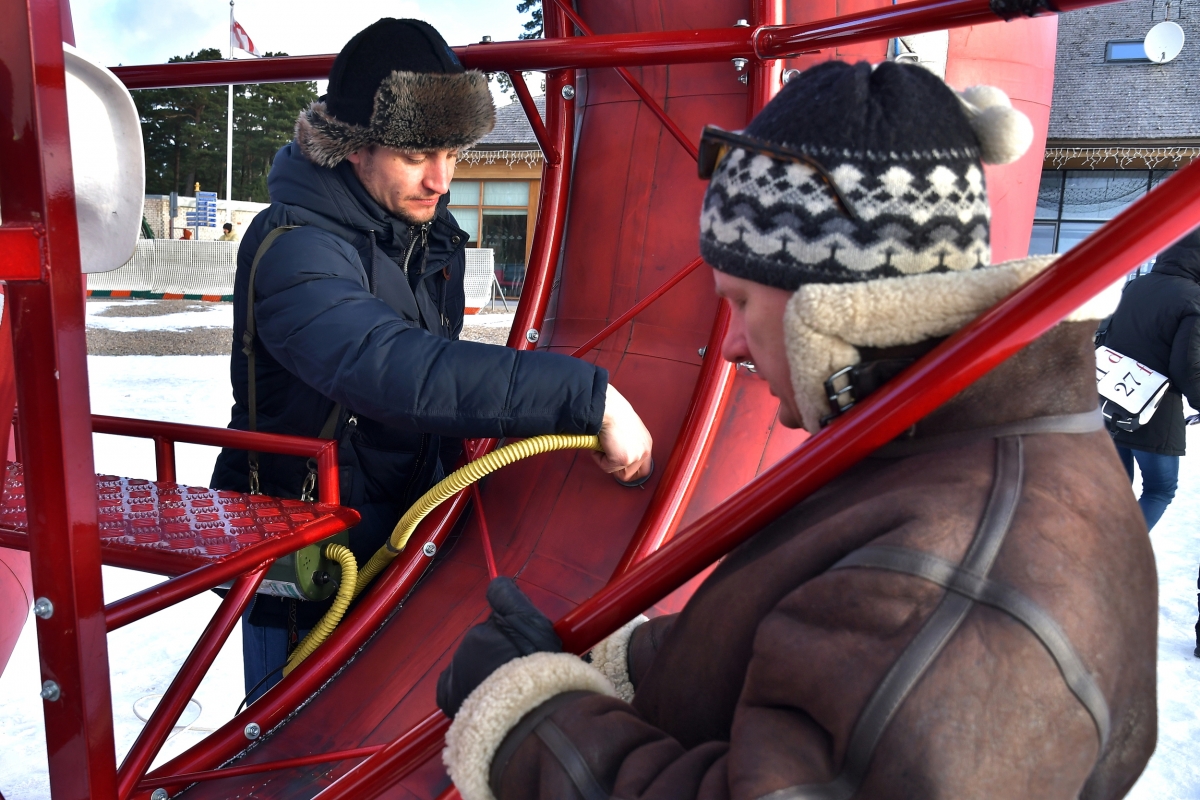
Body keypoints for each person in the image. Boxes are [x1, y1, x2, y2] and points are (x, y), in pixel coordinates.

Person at [436, 61, 1157, 800]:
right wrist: (622, 665)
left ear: (833, 303)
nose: (730, 346)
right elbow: (805, 645)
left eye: (743, 303)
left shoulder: (959, 573)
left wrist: (532, 722)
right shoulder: (934, 449)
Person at [210, 18, 653, 702]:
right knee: (299, 735)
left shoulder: (419, 233)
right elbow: (387, 367)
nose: (441, 179)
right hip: (310, 565)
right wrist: (584, 398)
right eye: (417, 154)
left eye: (451, 152)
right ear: (354, 147)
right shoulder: (295, 245)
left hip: (403, 541)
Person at [1102, 229, 1200, 531]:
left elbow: (1107, 339)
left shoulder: (1136, 285)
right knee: (1159, 489)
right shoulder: (1194, 299)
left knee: (1116, 487)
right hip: (1155, 413)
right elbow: (1187, 367)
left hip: (1112, 403)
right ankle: (1119, 553)